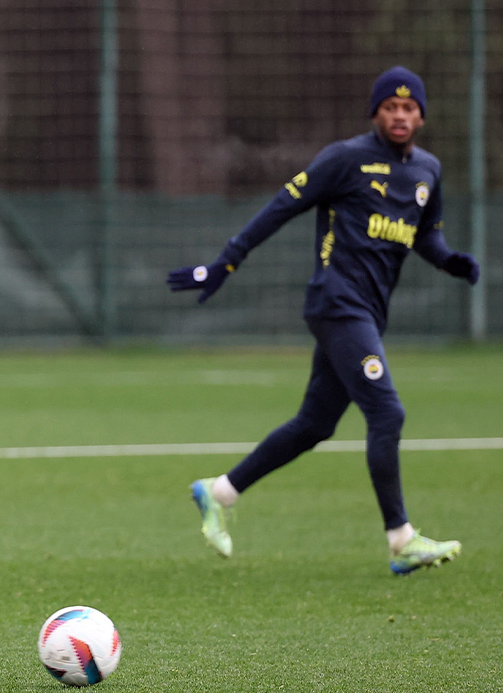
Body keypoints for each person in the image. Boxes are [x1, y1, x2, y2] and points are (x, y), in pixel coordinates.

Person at [167, 67, 480, 575]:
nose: (399, 115)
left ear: (421, 115)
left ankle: (219, 492)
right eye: (390, 107)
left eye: (409, 108)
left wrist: (449, 260)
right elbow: (279, 208)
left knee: (314, 424)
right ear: (375, 112)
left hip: (367, 314)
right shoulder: (346, 159)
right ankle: (401, 540)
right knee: (388, 413)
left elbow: (425, 236)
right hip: (337, 302)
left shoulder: (427, 171)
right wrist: (226, 261)